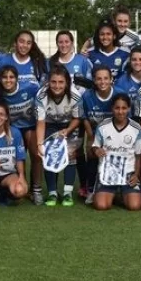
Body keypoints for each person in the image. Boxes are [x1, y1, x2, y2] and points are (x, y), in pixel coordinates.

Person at [0, 65, 42, 205]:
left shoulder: (30, 88)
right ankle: (16, 185)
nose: (8, 80)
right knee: (18, 157)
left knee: (36, 154)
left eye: (11, 77)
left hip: (30, 125)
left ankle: (36, 189)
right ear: (0, 79)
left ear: (17, 78)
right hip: (11, 128)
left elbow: (43, 98)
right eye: (4, 77)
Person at [35, 66, 82, 207]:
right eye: (53, 82)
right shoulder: (41, 96)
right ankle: (52, 192)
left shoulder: (75, 96)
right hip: (49, 125)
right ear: (48, 82)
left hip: (69, 124)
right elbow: (40, 122)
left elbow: (77, 118)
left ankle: (67, 193)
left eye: (61, 82)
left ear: (67, 82)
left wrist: (67, 130)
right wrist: (39, 144)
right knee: (48, 153)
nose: (57, 86)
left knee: (70, 154)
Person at [90, 94, 141, 211]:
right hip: (107, 172)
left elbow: (138, 156)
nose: (120, 112)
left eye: (124, 108)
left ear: (129, 109)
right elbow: (95, 146)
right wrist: (97, 150)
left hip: (128, 173)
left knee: (135, 206)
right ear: (112, 109)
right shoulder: (103, 126)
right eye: (117, 108)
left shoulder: (136, 128)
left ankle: (121, 193)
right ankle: (112, 193)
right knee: (101, 206)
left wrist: (136, 175)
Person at [81, 65, 117, 204]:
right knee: (91, 153)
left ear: (111, 79)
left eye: (106, 78)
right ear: (94, 81)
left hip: (115, 134)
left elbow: (124, 117)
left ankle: (116, 187)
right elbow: (84, 117)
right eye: (99, 79)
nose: (102, 82)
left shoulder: (118, 94)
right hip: (95, 133)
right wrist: (91, 138)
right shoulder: (87, 96)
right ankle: (90, 189)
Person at [114, 47, 141, 114]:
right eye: (134, 59)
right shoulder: (121, 82)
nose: (137, 62)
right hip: (130, 119)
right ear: (130, 61)